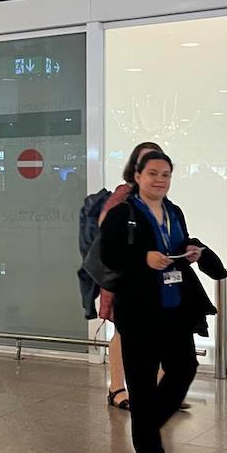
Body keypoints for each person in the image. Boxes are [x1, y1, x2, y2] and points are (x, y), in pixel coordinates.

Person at [99, 151, 221, 453]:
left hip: (174, 306)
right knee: (142, 379)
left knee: (184, 367)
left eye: (165, 174)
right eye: (153, 173)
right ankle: (148, 446)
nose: (159, 180)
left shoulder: (174, 211)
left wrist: (190, 250)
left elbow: (177, 242)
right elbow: (108, 255)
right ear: (137, 176)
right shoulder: (122, 213)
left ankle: (147, 423)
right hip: (138, 309)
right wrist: (143, 258)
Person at [99, 141, 163, 411]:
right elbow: (105, 228)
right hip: (125, 276)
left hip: (155, 278)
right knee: (122, 332)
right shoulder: (124, 196)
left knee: (159, 331)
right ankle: (117, 387)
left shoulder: (161, 200)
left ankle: (160, 388)